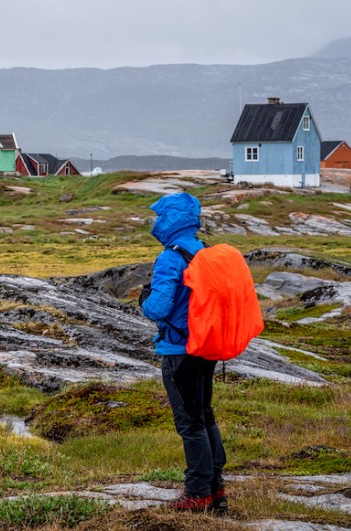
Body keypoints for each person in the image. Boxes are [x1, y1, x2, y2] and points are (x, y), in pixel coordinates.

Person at [140, 192, 227, 514]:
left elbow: (159, 307)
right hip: (205, 347)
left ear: (171, 219)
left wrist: (144, 301)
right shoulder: (202, 251)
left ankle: (197, 493)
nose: (156, 222)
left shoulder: (170, 257)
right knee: (204, 415)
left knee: (190, 423)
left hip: (179, 350)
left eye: (160, 216)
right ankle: (216, 489)